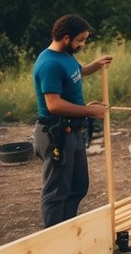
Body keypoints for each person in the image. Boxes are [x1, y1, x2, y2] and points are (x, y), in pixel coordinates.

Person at [32, 14, 112, 227]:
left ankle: (67, 230)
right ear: (66, 38)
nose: (83, 44)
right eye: (80, 40)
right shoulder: (49, 64)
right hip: (56, 133)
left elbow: (78, 72)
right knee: (57, 191)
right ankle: (54, 238)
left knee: (78, 185)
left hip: (72, 131)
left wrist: (96, 64)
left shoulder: (66, 56)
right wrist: (88, 111)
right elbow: (54, 105)